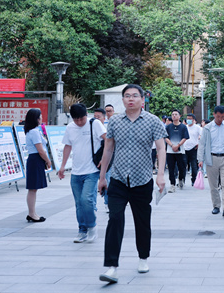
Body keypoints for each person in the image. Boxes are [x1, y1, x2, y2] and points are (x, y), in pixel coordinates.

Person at [98, 84, 167, 284]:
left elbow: (161, 148)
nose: (131, 99)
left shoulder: (152, 121)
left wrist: (160, 175)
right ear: (123, 100)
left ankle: (143, 257)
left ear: (142, 100)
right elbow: (108, 149)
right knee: (114, 219)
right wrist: (102, 177)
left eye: (135, 96)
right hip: (118, 179)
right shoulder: (114, 121)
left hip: (142, 180)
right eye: (127, 96)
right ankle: (112, 266)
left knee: (142, 221)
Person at [58, 103, 106, 243]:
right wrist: (62, 166)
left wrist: (104, 159)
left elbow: (108, 140)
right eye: (76, 120)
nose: (79, 122)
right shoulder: (70, 127)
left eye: (81, 119)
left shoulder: (95, 124)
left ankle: (92, 226)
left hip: (91, 170)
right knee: (79, 203)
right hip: (76, 172)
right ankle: (82, 230)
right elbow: (67, 146)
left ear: (86, 115)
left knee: (86, 200)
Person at [198, 105, 224, 217]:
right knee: (213, 185)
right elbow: (202, 144)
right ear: (214, 114)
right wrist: (200, 159)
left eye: (222, 117)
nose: (220, 119)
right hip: (211, 158)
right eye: (218, 116)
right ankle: (216, 206)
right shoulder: (207, 128)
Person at [24, 108, 51, 223]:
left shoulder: (33, 130)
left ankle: (33, 213)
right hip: (35, 159)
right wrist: (48, 160)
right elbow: (40, 150)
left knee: (33, 189)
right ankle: (31, 213)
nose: (41, 118)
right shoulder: (34, 132)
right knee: (32, 189)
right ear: (35, 118)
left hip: (35, 160)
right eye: (40, 116)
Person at [165, 109, 189, 192]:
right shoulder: (168, 127)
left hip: (180, 151)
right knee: (171, 168)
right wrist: (172, 145)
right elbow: (166, 138)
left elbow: (185, 137)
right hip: (170, 151)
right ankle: (172, 185)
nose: (174, 116)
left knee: (182, 167)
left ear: (179, 116)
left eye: (176, 114)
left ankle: (181, 179)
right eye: (172, 114)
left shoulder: (183, 127)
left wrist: (178, 145)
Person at [183, 114, 202, 185]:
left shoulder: (197, 128)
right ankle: (182, 180)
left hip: (194, 148)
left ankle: (194, 180)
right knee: (183, 165)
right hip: (184, 148)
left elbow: (202, 136)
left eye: (190, 119)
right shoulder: (185, 127)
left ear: (193, 120)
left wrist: (199, 143)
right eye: (187, 118)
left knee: (194, 165)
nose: (188, 120)